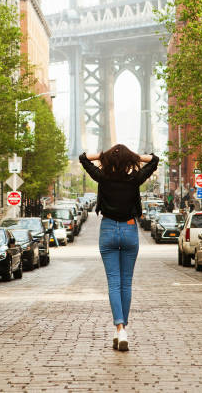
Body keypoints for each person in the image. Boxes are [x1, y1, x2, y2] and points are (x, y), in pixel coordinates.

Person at [79, 144, 159, 352]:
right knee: (126, 283)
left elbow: (83, 158)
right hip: (130, 230)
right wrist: (133, 156)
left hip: (107, 230)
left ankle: (120, 328)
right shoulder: (134, 179)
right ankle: (122, 331)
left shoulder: (102, 178)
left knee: (114, 283)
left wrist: (105, 155)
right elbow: (155, 160)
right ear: (128, 160)